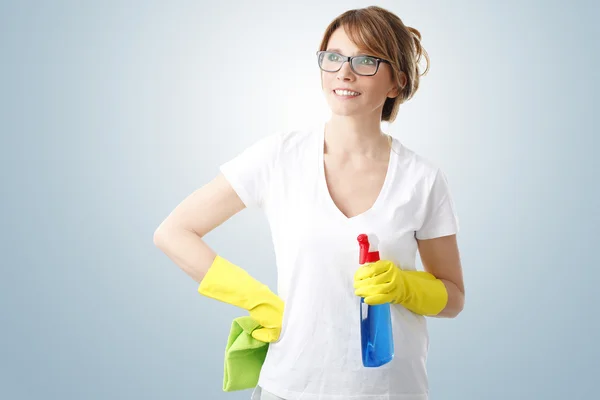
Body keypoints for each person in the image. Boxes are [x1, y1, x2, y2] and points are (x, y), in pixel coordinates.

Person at [154, 5, 465, 400]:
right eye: (333, 57)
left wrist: (405, 286)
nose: (344, 72)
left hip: (390, 390)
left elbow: (453, 296)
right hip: (291, 386)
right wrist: (255, 298)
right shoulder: (278, 157)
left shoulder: (422, 179)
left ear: (396, 83)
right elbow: (174, 233)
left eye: (366, 60)